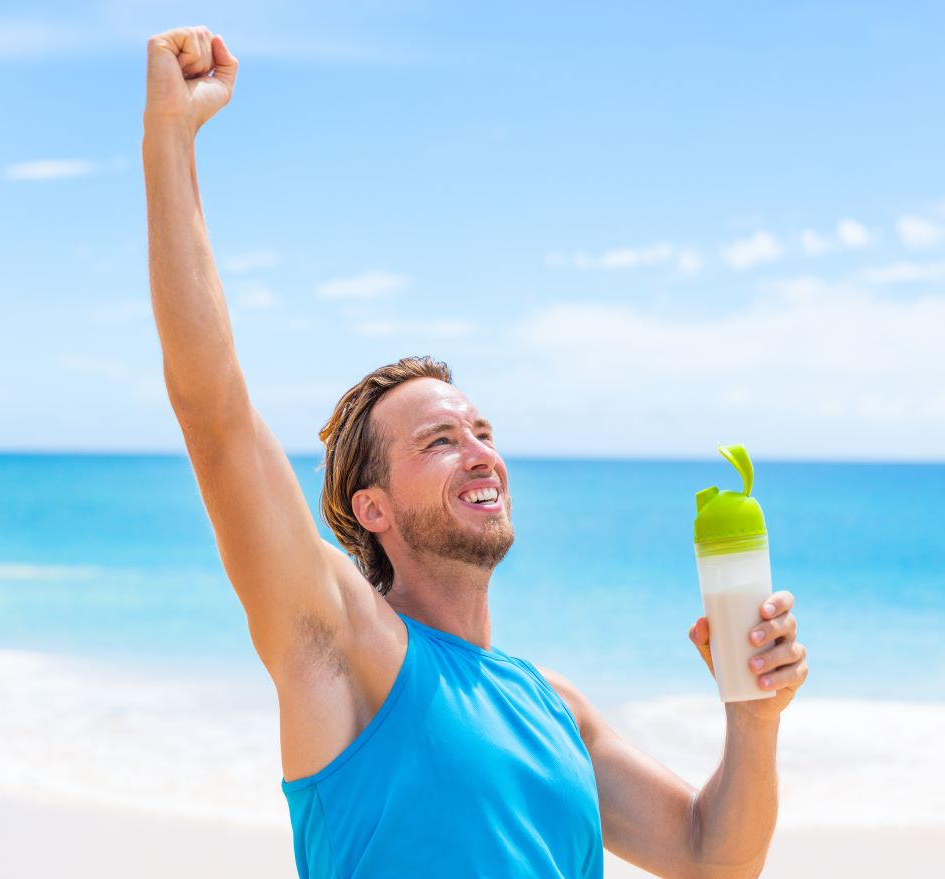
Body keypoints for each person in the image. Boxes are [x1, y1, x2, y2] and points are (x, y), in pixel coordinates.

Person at [143, 25, 808, 879]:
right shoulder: (346, 646)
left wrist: (753, 713)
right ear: (371, 508)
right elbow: (215, 411)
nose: (481, 454)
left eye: (484, 433)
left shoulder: (553, 707)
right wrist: (171, 136)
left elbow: (714, 857)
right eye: (441, 441)